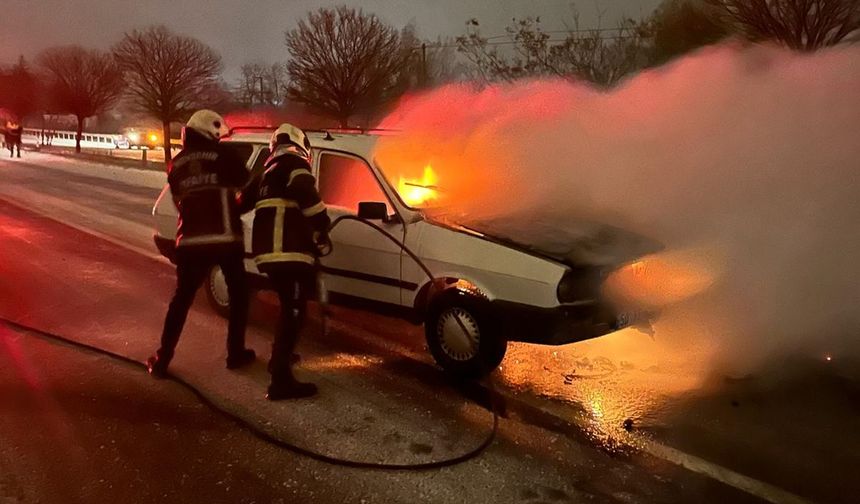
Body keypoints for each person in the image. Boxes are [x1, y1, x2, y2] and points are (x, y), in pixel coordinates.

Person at [147, 110, 256, 377]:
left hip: (190, 243)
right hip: (225, 239)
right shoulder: (226, 157)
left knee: (181, 300)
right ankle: (235, 354)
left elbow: (179, 200)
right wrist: (238, 206)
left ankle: (162, 359)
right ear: (212, 133)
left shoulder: (176, 164)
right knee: (239, 297)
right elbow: (247, 185)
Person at [252, 123, 331, 400]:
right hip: (287, 253)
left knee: (290, 308)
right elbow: (305, 192)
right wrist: (322, 223)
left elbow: (241, 202)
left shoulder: (266, 171)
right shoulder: (294, 163)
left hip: (269, 254)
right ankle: (280, 381)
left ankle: (279, 359)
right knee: (294, 312)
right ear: (301, 145)